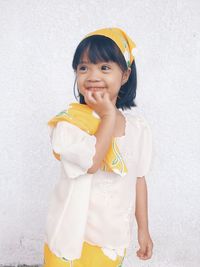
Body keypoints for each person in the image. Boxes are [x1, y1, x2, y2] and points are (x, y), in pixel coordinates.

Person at [43, 27, 154, 267]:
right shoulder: (69, 124)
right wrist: (108, 117)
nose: (92, 75)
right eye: (84, 67)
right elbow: (91, 163)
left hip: (114, 240)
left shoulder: (138, 127)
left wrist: (143, 230)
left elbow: (139, 179)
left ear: (125, 75)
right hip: (73, 242)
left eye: (104, 67)